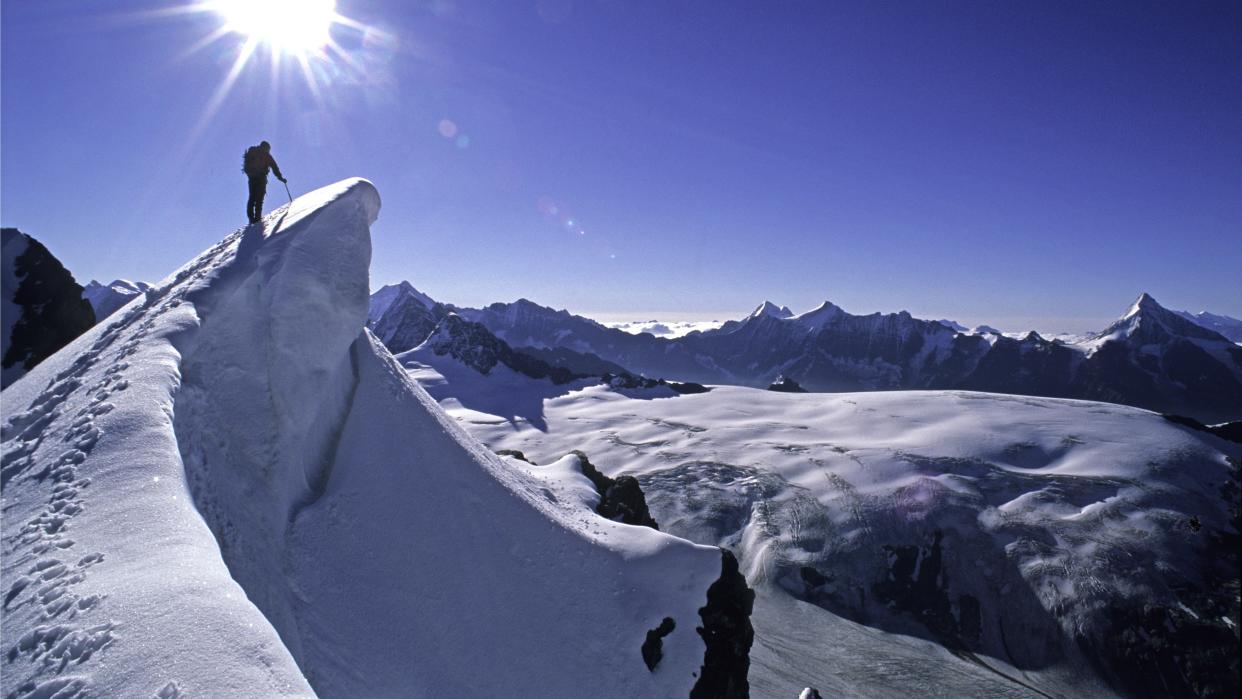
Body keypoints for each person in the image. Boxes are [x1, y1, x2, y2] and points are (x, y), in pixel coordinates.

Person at [242, 140, 286, 224]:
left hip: (252, 178)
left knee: (252, 197)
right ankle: (257, 218)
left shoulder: (253, 151)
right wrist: (280, 178)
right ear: (267, 148)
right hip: (261, 178)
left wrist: (250, 174)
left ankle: (251, 219)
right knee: (259, 199)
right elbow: (275, 167)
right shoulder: (267, 156)